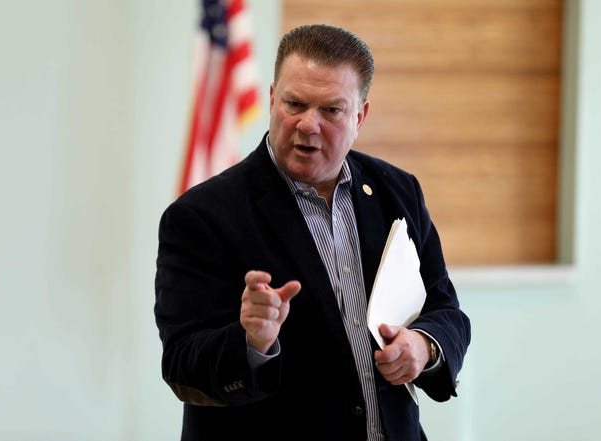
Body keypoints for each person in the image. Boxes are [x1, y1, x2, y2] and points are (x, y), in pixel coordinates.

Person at [155, 24, 470, 441]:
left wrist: (424, 347)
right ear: (271, 98)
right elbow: (182, 365)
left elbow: (446, 310)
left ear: (360, 116)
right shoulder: (201, 216)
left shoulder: (398, 191)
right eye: (295, 103)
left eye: (331, 110)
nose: (308, 124)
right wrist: (251, 342)